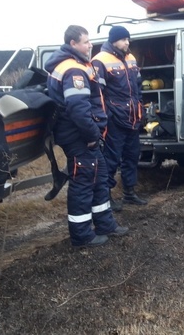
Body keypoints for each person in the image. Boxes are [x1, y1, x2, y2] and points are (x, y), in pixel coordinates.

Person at [45, 25, 128, 247]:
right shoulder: (73, 70)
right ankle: (81, 236)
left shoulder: (80, 65)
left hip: (88, 136)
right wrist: (93, 135)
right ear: (73, 44)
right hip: (80, 137)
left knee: (100, 179)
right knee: (82, 184)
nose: (90, 45)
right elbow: (78, 109)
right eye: (85, 41)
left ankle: (105, 224)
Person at [92, 26, 147, 211]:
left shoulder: (131, 58)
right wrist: (106, 116)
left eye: (128, 39)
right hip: (114, 120)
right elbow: (97, 94)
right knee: (111, 159)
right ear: (114, 40)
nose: (127, 42)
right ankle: (105, 196)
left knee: (131, 157)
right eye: (124, 39)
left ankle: (129, 193)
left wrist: (141, 107)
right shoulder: (99, 61)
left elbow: (138, 87)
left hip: (132, 117)